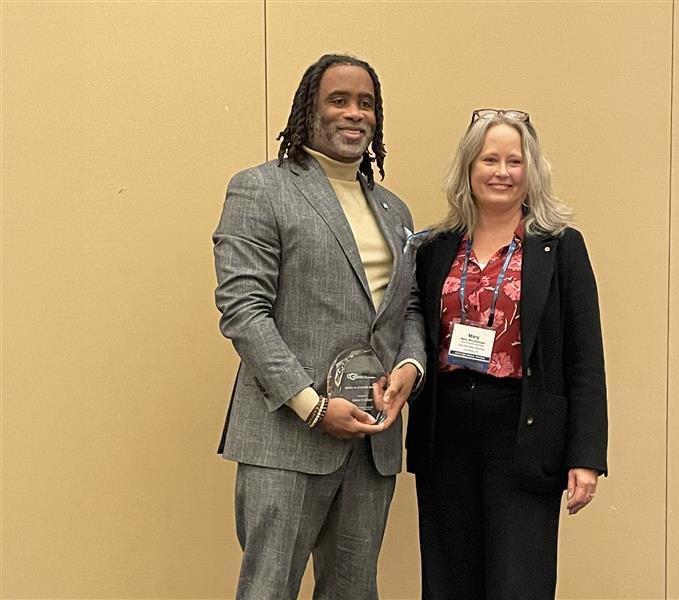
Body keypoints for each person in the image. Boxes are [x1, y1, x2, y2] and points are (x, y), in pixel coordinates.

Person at [213, 54, 425, 600]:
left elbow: (411, 308)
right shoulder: (260, 189)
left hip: (372, 442)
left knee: (354, 591)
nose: (354, 113)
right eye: (339, 100)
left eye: (366, 103)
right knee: (269, 589)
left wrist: (410, 366)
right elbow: (243, 310)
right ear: (310, 108)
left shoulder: (395, 211)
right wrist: (311, 405)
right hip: (287, 437)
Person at [406, 109, 608, 599]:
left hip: (525, 434)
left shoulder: (559, 247)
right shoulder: (434, 248)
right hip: (445, 433)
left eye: (514, 161)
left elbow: (585, 358)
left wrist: (586, 458)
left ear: (530, 170)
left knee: (519, 582)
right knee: (448, 582)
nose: (501, 171)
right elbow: (413, 330)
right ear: (468, 169)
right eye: (489, 159)